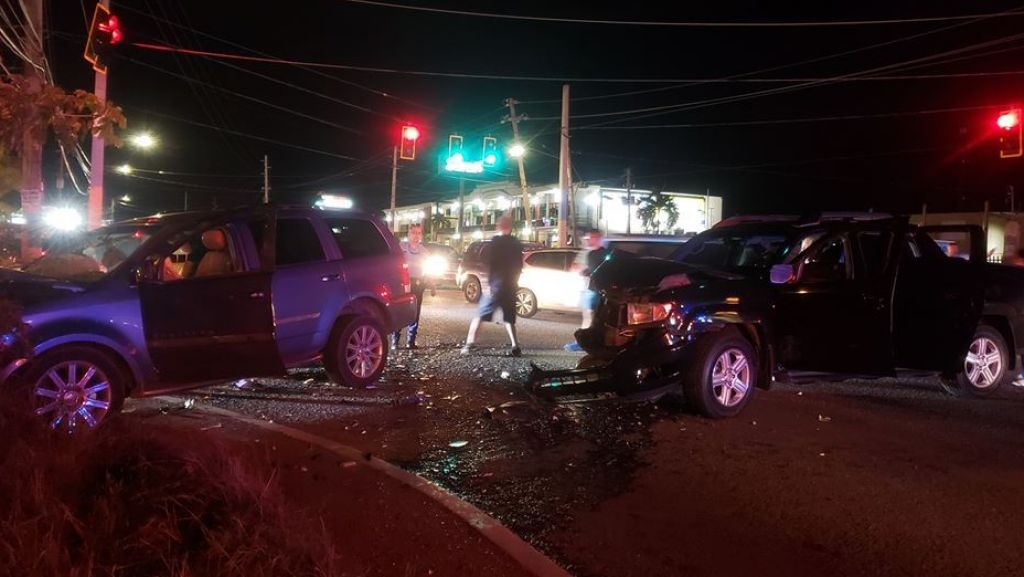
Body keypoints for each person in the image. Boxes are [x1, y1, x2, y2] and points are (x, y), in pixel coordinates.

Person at [461, 215, 523, 357]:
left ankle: (469, 345)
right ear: (510, 226)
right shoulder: (515, 243)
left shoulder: (496, 242)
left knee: (480, 315)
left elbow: (492, 265)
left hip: (496, 285)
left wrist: (489, 284)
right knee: (509, 318)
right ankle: (515, 346)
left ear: (499, 226)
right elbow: (519, 266)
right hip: (510, 286)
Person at [565, 228, 609, 352]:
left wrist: (585, 272)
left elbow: (594, 270)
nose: (588, 240)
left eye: (591, 238)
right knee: (589, 316)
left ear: (598, 238)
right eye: (588, 238)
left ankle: (584, 342)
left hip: (597, 290)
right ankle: (585, 341)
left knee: (591, 316)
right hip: (592, 289)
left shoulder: (602, 254)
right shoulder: (591, 253)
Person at [392, 224, 434, 349]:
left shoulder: (425, 252)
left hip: (418, 283)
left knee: (415, 311)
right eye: (413, 233)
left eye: (418, 233)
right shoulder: (401, 248)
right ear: (409, 234)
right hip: (403, 284)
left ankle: (411, 341)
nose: (416, 236)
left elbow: (430, 269)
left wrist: (432, 285)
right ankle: (395, 340)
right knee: (400, 310)